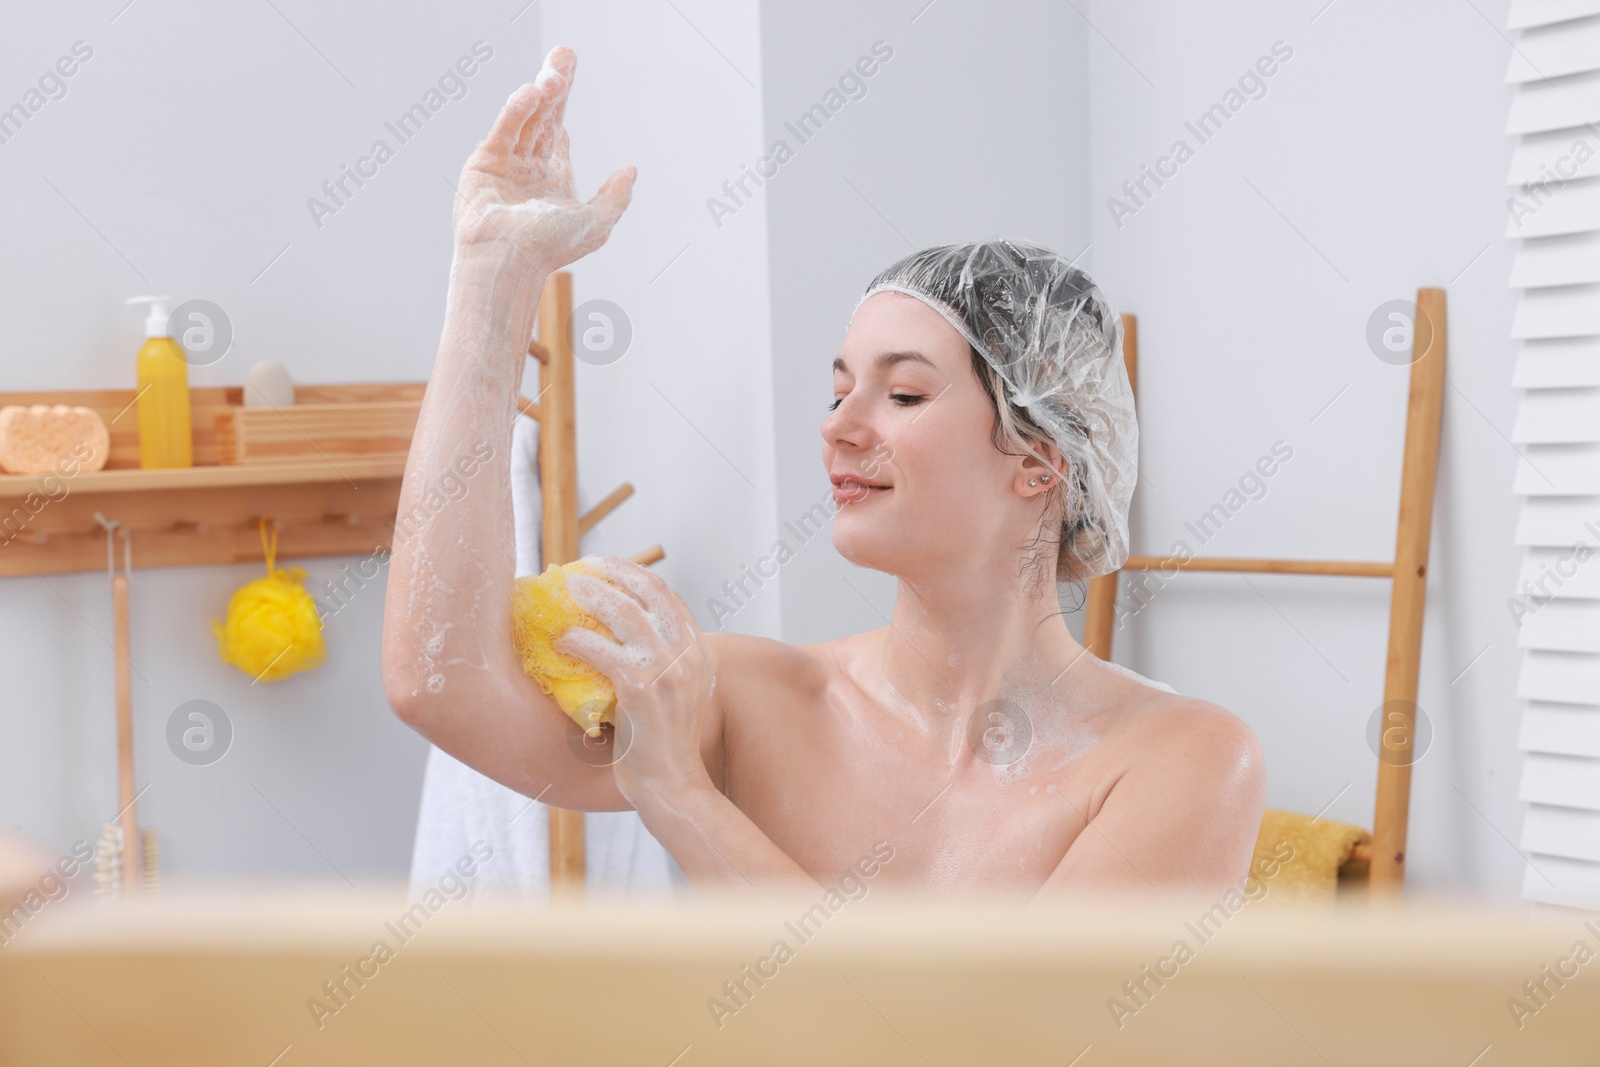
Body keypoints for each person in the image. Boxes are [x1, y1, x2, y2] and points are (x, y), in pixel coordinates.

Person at [381, 44, 1265, 907]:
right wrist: (494, 278)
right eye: (839, 389)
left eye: (906, 393)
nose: (839, 427)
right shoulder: (749, 701)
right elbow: (444, 679)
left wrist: (682, 798)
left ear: (1041, 460)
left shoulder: (1180, 758)